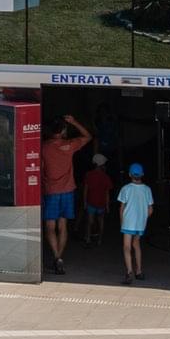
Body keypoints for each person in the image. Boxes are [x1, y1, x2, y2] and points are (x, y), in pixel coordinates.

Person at [41, 112, 92, 274]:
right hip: (68, 190)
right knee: (63, 225)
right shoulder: (69, 145)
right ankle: (59, 258)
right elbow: (88, 136)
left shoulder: (44, 147)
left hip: (51, 190)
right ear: (63, 130)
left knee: (50, 226)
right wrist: (74, 121)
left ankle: (56, 256)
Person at [116, 162, 154, 285]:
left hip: (128, 222)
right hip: (140, 224)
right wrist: (143, 218)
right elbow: (150, 210)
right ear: (142, 174)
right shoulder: (147, 189)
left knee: (126, 247)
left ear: (129, 174)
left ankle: (129, 272)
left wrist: (122, 221)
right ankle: (139, 271)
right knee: (136, 245)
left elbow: (122, 207)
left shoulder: (125, 189)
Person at [81, 154, 114, 246]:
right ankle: (100, 239)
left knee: (89, 222)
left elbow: (85, 189)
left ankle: (88, 238)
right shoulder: (105, 177)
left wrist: (84, 202)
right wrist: (107, 205)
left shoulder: (89, 174)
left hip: (91, 202)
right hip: (102, 203)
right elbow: (107, 193)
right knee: (101, 221)